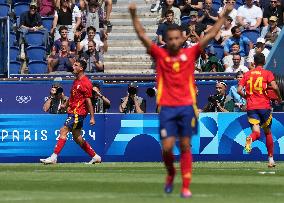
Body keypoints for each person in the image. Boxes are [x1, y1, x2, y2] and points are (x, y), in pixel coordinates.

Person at [129, 2, 234, 198]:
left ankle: (186, 186)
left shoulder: (190, 53)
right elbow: (143, 37)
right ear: (166, 40)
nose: (175, 41)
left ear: (183, 38)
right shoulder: (160, 54)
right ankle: (171, 173)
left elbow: (210, 35)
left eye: (178, 37)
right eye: (171, 38)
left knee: (185, 145)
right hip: (167, 108)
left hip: (187, 107)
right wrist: (134, 15)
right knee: (167, 148)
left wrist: (225, 13)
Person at [40, 60, 102, 164]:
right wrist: (66, 105)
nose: (73, 66)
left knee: (63, 130)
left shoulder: (86, 83)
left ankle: (54, 157)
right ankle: (95, 156)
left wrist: (92, 117)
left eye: (76, 65)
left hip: (78, 112)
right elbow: (73, 96)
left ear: (81, 68)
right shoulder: (76, 81)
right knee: (77, 137)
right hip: (73, 111)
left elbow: (88, 101)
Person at [238, 53, 282, 168]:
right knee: (267, 132)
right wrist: (279, 98)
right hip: (264, 106)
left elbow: (238, 90)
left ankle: (250, 139)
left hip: (251, 107)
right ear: (264, 61)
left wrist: (247, 97)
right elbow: (276, 87)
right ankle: (271, 160)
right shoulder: (267, 73)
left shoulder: (247, 74)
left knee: (256, 133)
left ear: (254, 62)